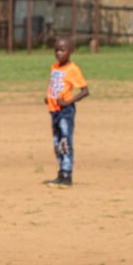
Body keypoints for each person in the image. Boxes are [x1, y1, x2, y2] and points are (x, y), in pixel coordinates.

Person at [44, 37, 89, 188]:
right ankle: (61, 172)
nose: (58, 53)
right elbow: (55, 85)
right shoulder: (55, 67)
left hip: (65, 111)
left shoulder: (72, 69)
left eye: (62, 50)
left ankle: (67, 174)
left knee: (65, 142)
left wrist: (68, 102)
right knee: (57, 143)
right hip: (54, 110)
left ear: (70, 51)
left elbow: (85, 91)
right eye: (56, 50)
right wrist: (49, 97)